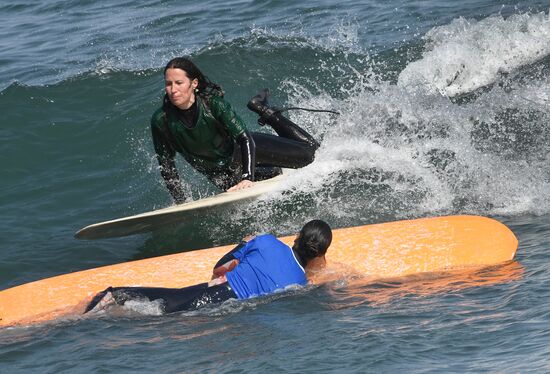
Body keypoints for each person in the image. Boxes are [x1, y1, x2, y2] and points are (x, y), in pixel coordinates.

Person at [151, 57, 321, 204]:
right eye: (168, 84)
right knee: (273, 174)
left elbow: (245, 139)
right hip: (221, 174)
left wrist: (247, 177)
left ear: (193, 83)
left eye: (179, 83)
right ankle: (267, 169)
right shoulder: (162, 120)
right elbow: (166, 165)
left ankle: (263, 110)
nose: (173, 90)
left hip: (246, 151)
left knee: (311, 154)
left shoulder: (213, 105)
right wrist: (180, 201)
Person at [84, 220, 332, 314]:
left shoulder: (266, 241)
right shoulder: (300, 284)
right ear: (320, 255)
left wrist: (244, 243)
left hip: (214, 293)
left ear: (297, 236)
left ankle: (90, 311)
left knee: (118, 294)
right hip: (229, 312)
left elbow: (218, 269)